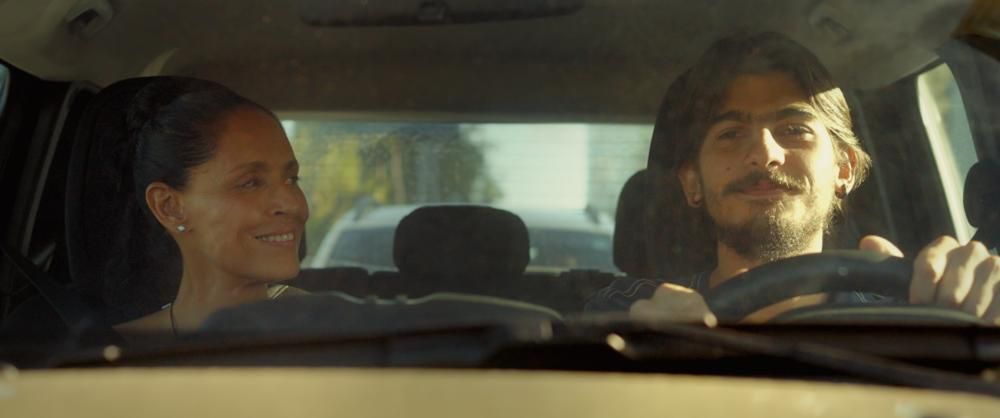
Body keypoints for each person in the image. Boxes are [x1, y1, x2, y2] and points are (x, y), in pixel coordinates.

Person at [587, 32, 1000, 324]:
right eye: (730, 134)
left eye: (794, 130)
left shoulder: (916, 316)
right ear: (692, 183)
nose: (764, 154)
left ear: (844, 169)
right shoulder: (627, 314)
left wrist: (976, 309)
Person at [94, 77, 309, 336]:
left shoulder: (338, 330)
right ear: (170, 207)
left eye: (291, 179)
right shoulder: (111, 355)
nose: (293, 204)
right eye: (250, 183)